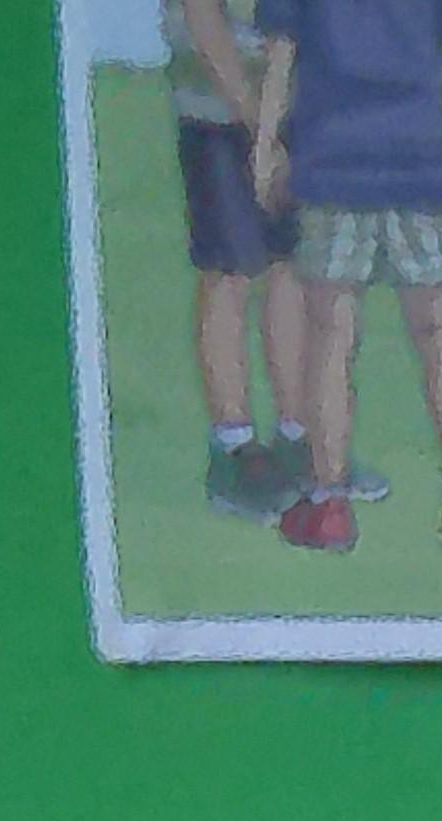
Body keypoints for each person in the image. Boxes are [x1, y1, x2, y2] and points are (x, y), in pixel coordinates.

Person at [249, 0, 442, 561]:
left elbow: (281, 55)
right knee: (437, 329)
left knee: (332, 335)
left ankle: (330, 500)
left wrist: (266, 146)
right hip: (415, 161)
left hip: (332, 161)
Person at [159, 0, 302, 511]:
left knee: (292, 268)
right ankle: (235, 442)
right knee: (229, 271)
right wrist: (255, 120)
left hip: (292, 111)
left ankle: (297, 433)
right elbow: (202, 17)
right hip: (215, 110)